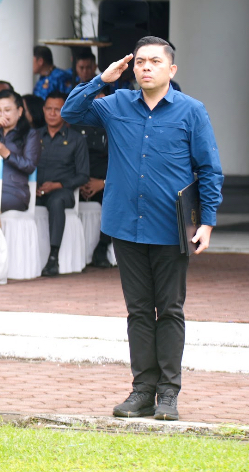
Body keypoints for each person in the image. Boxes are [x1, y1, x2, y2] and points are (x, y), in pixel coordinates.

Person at [63, 38, 222, 422]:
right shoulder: (116, 104)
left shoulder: (191, 111)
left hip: (171, 228)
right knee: (137, 311)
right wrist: (102, 79)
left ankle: (168, 393)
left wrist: (207, 222)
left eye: (155, 61)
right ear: (132, 68)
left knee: (169, 310)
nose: (146, 67)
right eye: (140, 62)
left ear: (171, 69)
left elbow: (209, 169)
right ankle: (142, 391)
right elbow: (71, 111)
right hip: (126, 225)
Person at [34, 91, 89, 277]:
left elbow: (83, 175)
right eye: (48, 109)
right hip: (36, 190)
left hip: (63, 192)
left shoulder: (76, 139)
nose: (52, 113)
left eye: (57, 110)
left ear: (66, 111)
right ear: (43, 110)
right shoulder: (35, 135)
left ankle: (53, 258)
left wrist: (57, 185)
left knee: (56, 201)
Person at [0, 90, 40, 213]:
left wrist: (6, 153)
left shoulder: (30, 134)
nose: (2, 115)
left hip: (14, 191)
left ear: (19, 111)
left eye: (7, 110)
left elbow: (30, 166)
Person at [77, 87, 112, 268]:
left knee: (117, 199)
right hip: (79, 182)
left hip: (107, 182)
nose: (96, 99)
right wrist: (80, 182)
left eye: (100, 95)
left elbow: (122, 162)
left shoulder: (115, 124)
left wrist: (103, 183)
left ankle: (102, 248)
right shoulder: (76, 124)